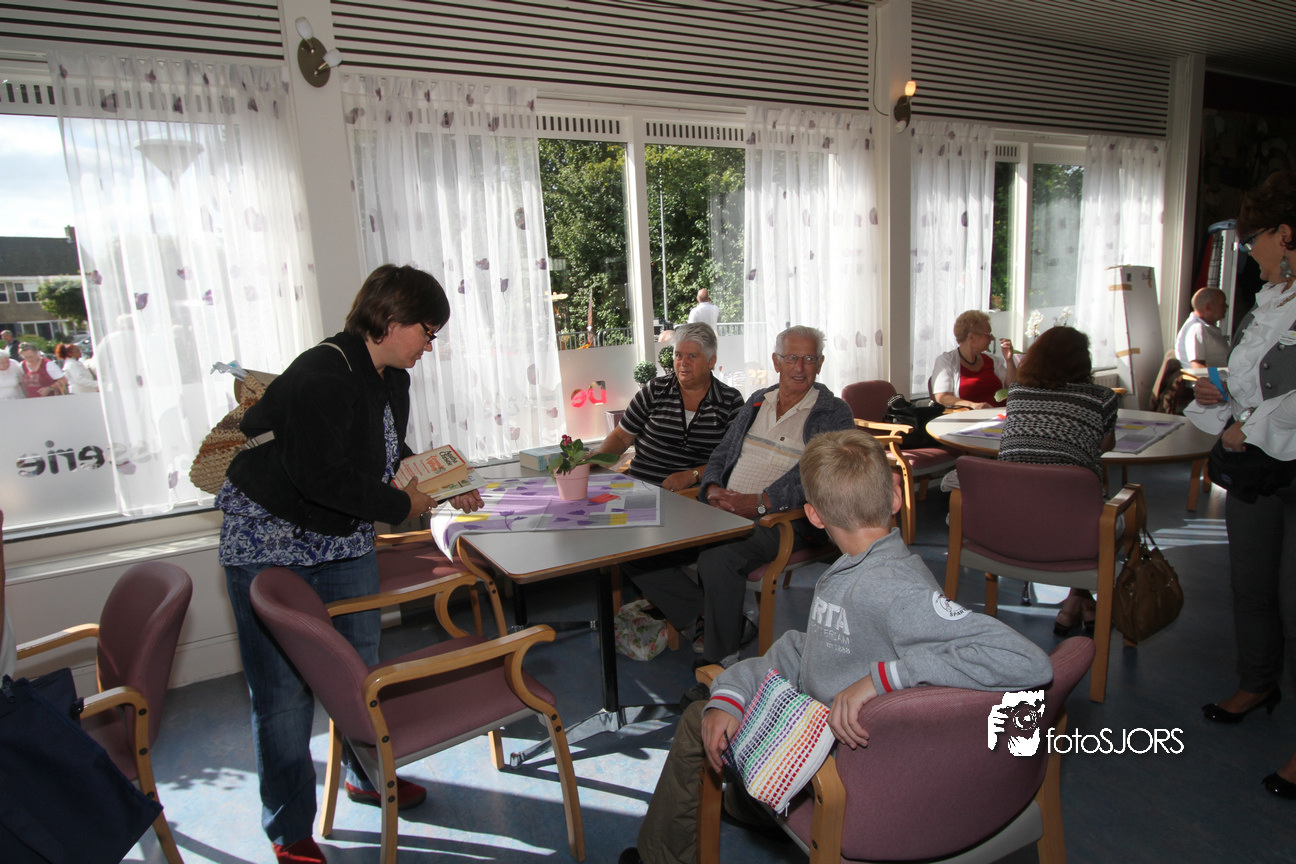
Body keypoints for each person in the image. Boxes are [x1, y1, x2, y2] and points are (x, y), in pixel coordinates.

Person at [619, 429, 1054, 864]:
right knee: (729, 713)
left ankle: (662, 856)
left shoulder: (896, 590)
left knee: (696, 722)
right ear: (895, 498)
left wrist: (882, 679)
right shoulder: (856, 572)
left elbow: (1028, 661)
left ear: (814, 515)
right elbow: (810, 649)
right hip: (845, 751)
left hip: (839, 767)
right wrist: (736, 691)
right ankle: (750, 805)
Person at [217, 264, 484, 864]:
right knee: (282, 696)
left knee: (358, 673)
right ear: (390, 319)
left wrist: (444, 483)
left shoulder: (391, 378)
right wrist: (401, 506)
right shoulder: (321, 374)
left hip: (341, 539)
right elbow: (322, 476)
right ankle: (289, 830)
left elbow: (385, 453)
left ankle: (365, 775)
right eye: (428, 331)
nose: (430, 345)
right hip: (271, 545)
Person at [625, 325, 855, 670]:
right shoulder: (759, 400)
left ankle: (719, 662)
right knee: (639, 545)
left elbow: (820, 475)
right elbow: (723, 452)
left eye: (809, 359)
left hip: (781, 519)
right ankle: (709, 618)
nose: (799, 367)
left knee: (717, 557)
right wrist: (712, 487)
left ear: (820, 363)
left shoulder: (833, 412)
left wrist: (760, 502)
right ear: (776, 361)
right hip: (726, 508)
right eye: (791, 357)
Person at [1187, 171, 1296, 802]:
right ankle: (1258, 681)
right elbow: (1256, 379)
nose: (1249, 252)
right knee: (1251, 585)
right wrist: (1220, 391)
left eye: (1253, 239)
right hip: (1258, 467)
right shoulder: (1270, 299)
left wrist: (1244, 425)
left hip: (1287, 460)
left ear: (1286, 233)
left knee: (1294, 601)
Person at [999, 326, 1118, 635]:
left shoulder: (1017, 393)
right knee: (1101, 503)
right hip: (1073, 527)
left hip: (1008, 524)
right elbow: (1103, 446)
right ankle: (1079, 600)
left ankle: (1077, 601)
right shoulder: (1101, 398)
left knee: (1065, 491)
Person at [593, 322, 743, 491]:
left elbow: (734, 457)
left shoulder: (730, 401)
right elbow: (621, 437)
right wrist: (596, 459)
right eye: (678, 355)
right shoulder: (654, 390)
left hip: (692, 497)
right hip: (641, 490)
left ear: (711, 361)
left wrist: (693, 475)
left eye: (692, 356)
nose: (683, 363)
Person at [931, 309, 1017, 409]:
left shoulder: (992, 360)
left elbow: (1012, 388)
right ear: (971, 337)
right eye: (988, 335)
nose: (992, 338)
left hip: (1001, 414)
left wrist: (1009, 360)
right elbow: (942, 397)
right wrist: (972, 405)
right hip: (971, 416)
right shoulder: (947, 361)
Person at [1174, 287, 1231, 369]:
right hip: (1212, 377)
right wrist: (1218, 377)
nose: (1227, 306)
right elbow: (1198, 367)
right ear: (1208, 307)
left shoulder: (1204, 327)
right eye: (1222, 304)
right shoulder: (1196, 328)